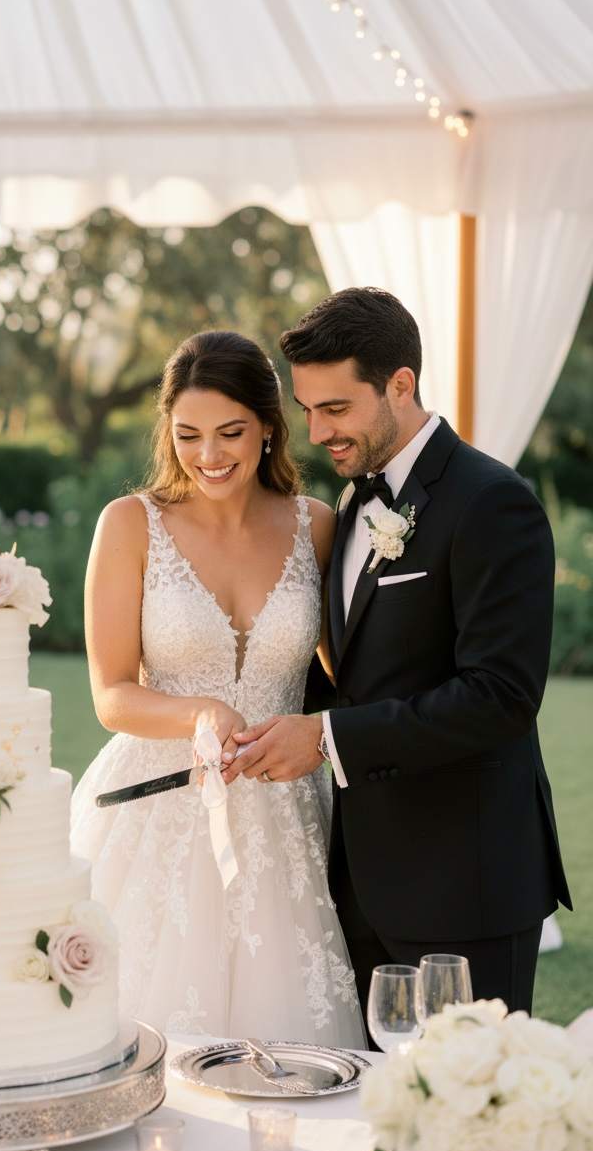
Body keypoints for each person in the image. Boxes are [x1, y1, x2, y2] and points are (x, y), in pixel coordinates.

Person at [222, 286, 572, 1025]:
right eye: (308, 410)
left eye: (336, 409)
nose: (316, 432)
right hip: (359, 884)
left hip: (465, 887)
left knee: (469, 1125)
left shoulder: (491, 503)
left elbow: (500, 695)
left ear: (401, 386)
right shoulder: (356, 505)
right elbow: (360, 673)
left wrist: (326, 740)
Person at [70, 330, 366, 1046]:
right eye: (189, 435)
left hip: (285, 814)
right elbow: (110, 694)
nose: (209, 456)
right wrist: (197, 710)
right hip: (157, 810)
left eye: (231, 433)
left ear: (269, 426)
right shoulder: (130, 525)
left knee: (289, 1039)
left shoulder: (317, 527)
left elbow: (349, 675)